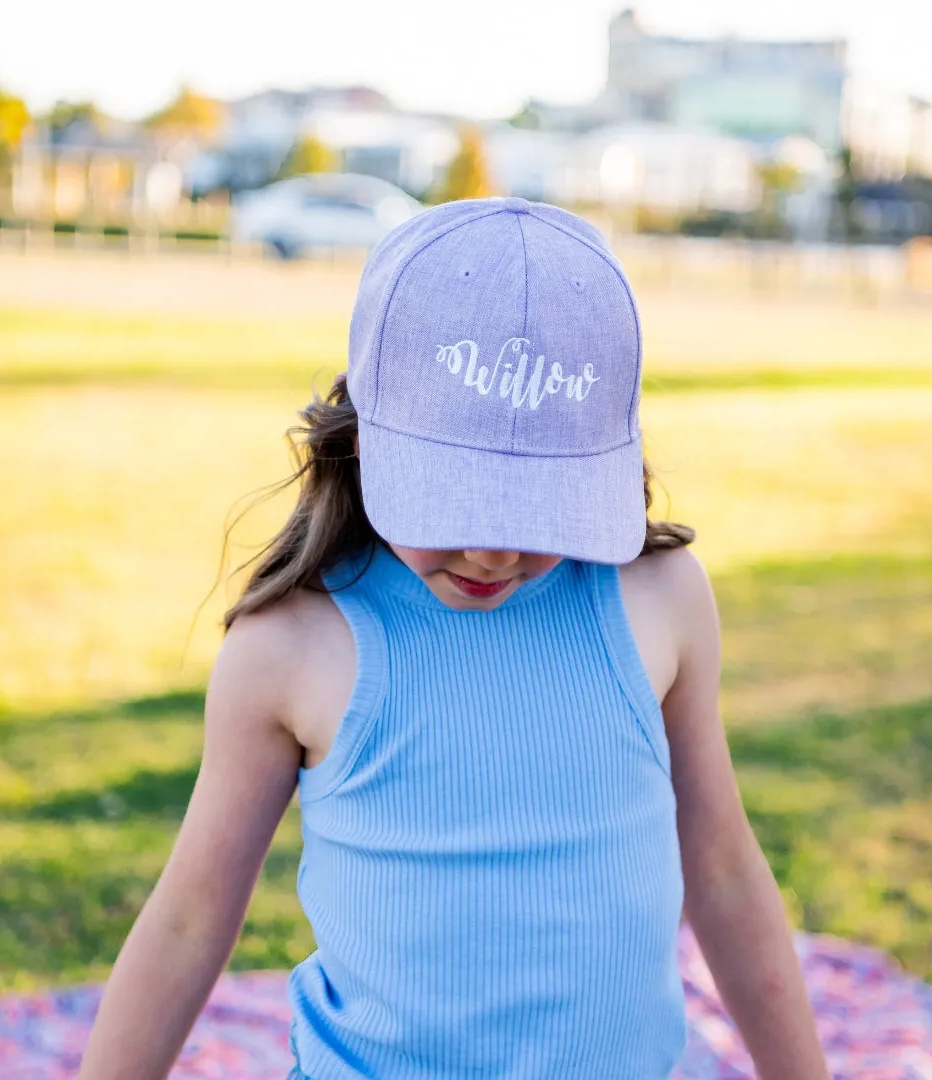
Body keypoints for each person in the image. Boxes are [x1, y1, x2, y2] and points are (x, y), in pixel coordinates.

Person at [79, 197, 830, 1080]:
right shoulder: (290, 647)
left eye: (535, 508)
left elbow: (724, 866)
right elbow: (189, 918)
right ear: (361, 442)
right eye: (456, 503)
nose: (494, 550)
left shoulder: (661, 598)